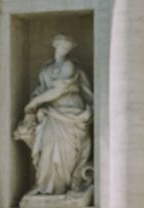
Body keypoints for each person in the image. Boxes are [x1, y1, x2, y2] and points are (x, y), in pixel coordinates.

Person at [14, 34, 93, 196]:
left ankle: (63, 187)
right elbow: (42, 89)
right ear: (55, 46)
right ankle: (45, 186)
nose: (64, 49)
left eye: (67, 47)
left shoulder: (69, 65)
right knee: (48, 150)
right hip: (51, 114)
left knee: (67, 151)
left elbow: (60, 90)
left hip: (70, 112)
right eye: (61, 46)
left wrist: (33, 103)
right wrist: (37, 104)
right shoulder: (46, 68)